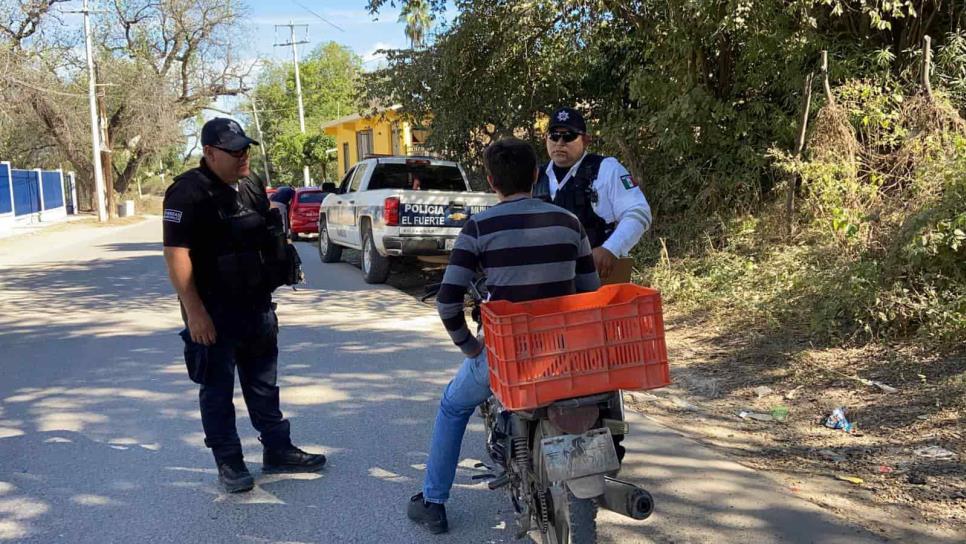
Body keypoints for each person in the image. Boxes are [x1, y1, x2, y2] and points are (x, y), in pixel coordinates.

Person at [406, 138, 600, 534]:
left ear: (492, 181)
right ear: (535, 175)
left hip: (507, 354)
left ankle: (433, 501)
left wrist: (471, 347)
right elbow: (589, 293)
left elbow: (447, 302)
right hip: (565, 353)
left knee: (452, 406)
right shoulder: (569, 223)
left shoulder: (479, 227)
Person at [162, 117, 325, 494]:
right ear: (209, 153)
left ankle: (277, 449)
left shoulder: (249, 184)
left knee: (264, 384)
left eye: (245, 148)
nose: (243, 156)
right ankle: (229, 462)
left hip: (256, 305)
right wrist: (196, 312)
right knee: (218, 391)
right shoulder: (186, 193)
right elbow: (176, 255)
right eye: (234, 151)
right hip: (213, 311)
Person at [533, 107, 652, 282]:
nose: (560, 142)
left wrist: (611, 249)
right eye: (554, 135)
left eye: (568, 136)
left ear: (586, 140)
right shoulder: (535, 176)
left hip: (597, 278)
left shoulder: (607, 169)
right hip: (546, 281)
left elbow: (639, 212)